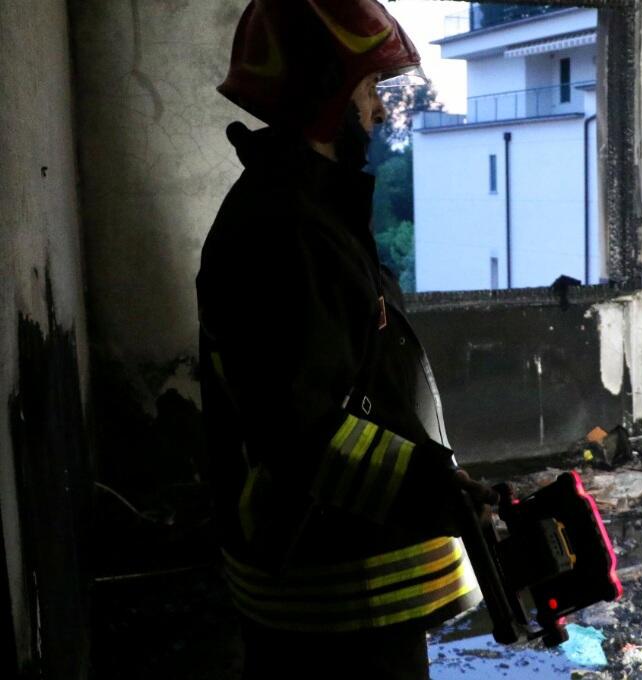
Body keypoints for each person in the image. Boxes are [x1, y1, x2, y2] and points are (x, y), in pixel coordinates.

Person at [197, 1, 496, 677]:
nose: (380, 112)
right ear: (327, 96)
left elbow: (354, 384)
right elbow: (300, 431)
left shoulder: (307, 211)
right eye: (368, 91)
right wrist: (435, 489)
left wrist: (438, 484)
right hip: (334, 604)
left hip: (342, 584)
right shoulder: (286, 232)